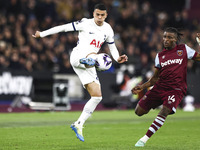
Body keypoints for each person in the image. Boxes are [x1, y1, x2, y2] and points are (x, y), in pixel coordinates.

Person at [32, 3, 128, 142]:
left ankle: (79, 124)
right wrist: (42, 34)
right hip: (77, 56)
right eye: (97, 14)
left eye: (102, 15)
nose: (100, 17)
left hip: (87, 63)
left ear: (106, 15)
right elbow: (63, 28)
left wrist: (118, 58)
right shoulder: (85, 23)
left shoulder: (108, 29)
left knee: (97, 96)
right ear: (93, 14)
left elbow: (112, 48)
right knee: (101, 58)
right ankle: (91, 60)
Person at [131, 27, 200, 147]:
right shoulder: (160, 55)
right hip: (159, 87)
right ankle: (161, 104)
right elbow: (155, 78)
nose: (166, 40)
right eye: (164, 37)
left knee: (165, 110)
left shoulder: (183, 49)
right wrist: (142, 86)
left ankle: (144, 139)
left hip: (176, 89)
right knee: (139, 111)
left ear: (175, 39)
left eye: (169, 37)